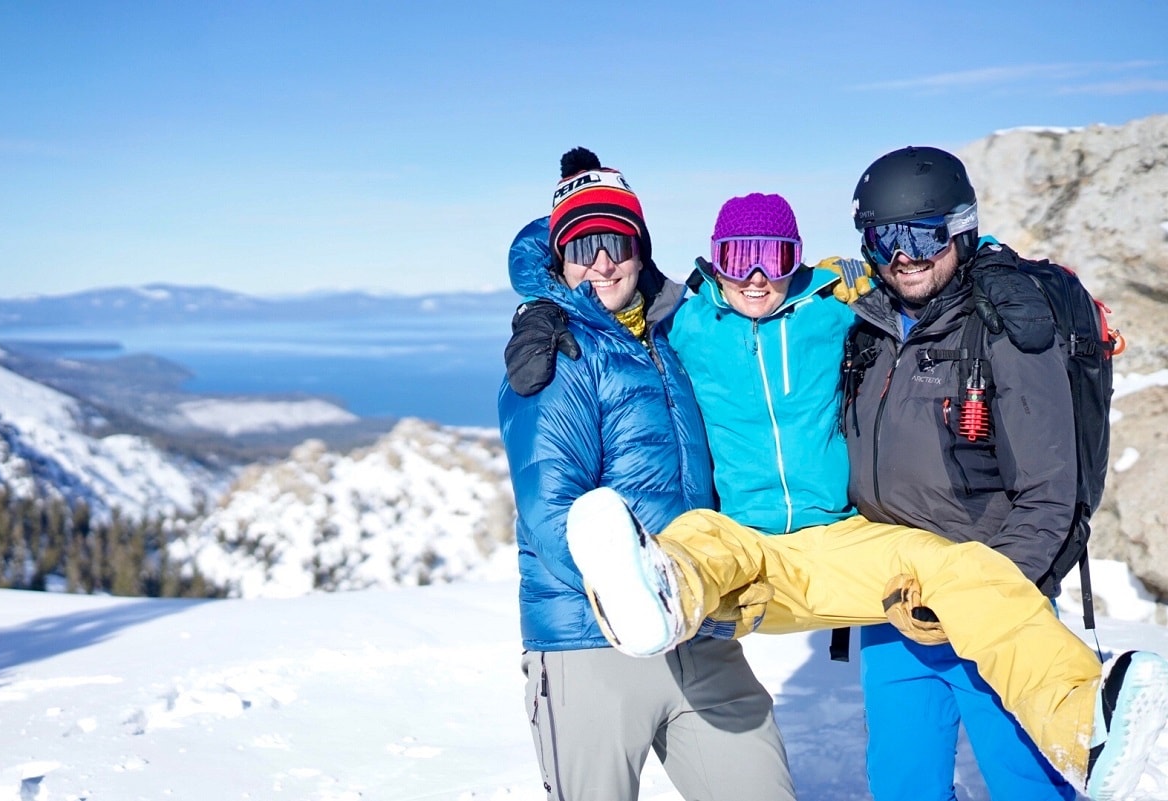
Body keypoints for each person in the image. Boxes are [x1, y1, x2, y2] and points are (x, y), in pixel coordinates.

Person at [505, 171, 1168, 801]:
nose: (758, 275)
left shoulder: (831, 308)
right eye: (739, 258)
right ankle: (653, 594)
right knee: (694, 543)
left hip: (839, 537)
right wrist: (544, 309)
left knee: (962, 567)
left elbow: (929, 264)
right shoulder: (689, 323)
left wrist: (1010, 271)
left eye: (775, 255)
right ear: (714, 264)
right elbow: (609, 290)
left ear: (797, 259)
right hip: (744, 542)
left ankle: (1087, 723)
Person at [497, 147, 796, 801]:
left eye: (616, 241)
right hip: (589, 638)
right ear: (560, 259)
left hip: (698, 626)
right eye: (583, 245)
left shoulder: (677, 335)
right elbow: (552, 503)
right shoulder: (558, 350)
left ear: (640, 248)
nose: (602, 261)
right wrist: (633, 600)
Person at [843, 145, 1079, 801]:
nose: (904, 253)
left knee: (1026, 785)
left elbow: (1048, 494)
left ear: (962, 228)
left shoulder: (1004, 325)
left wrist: (975, 597)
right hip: (892, 609)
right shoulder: (870, 329)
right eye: (884, 236)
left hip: (991, 603)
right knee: (901, 786)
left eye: (923, 233)